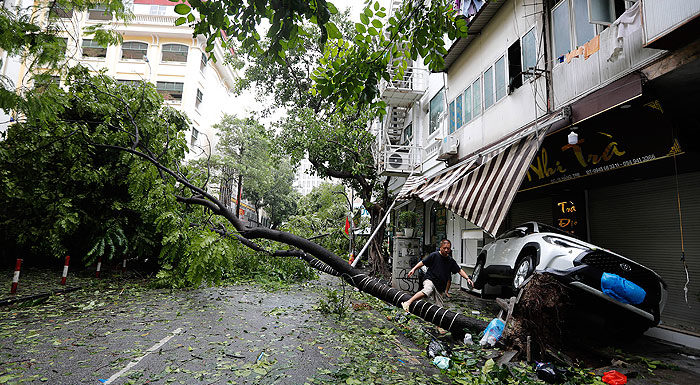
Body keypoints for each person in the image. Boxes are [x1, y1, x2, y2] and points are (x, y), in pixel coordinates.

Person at [402, 239, 473, 312]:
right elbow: (422, 263)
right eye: (444, 248)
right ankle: (408, 302)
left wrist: (467, 278)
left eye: (448, 248)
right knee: (428, 290)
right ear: (440, 248)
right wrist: (413, 269)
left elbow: (459, 270)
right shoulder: (434, 255)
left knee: (440, 308)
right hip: (430, 279)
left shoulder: (450, 260)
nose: (446, 250)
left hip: (440, 286)